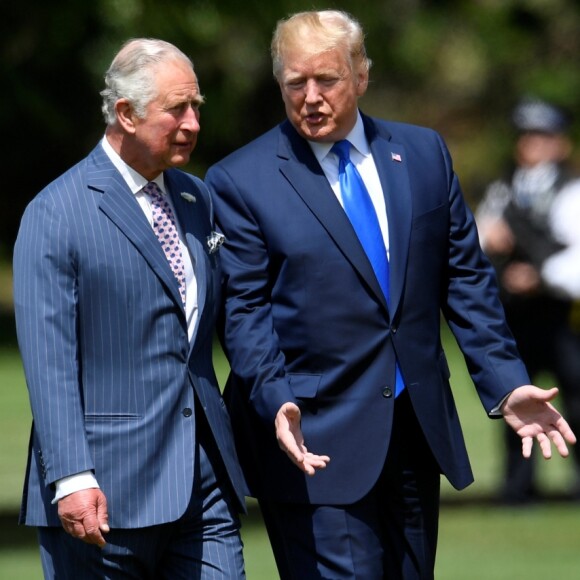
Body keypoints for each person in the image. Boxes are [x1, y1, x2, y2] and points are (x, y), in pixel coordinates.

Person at [205, 10, 576, 579]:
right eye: (294, 83)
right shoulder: (240, 179)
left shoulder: (423, 154)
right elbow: (245, 310)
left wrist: (504, 381)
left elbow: (467, 279)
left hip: (415, 435)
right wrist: (272, 395)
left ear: (360, 76)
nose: (309, 97)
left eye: (325, 80)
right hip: (311, 439)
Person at [13, 38, 247, 578]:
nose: (192, 123)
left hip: (204, 483)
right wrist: (71, 478)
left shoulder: (196, 198)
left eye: (197, 107)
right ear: (126, 113)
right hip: (104, 496)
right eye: (176, 109)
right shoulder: (56, 212)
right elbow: (49, 363)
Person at [477, 97, 580, 504]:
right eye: (526, 137)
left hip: (563, 317)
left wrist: (538, 276)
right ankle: (518, 487)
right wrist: (492, 240)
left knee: (576, 395)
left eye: (541, 137)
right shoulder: (504, 189)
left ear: (559, 143)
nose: (531, 145)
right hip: (516, 316)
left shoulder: (571, 190)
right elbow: (478, 238)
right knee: (515, 396)